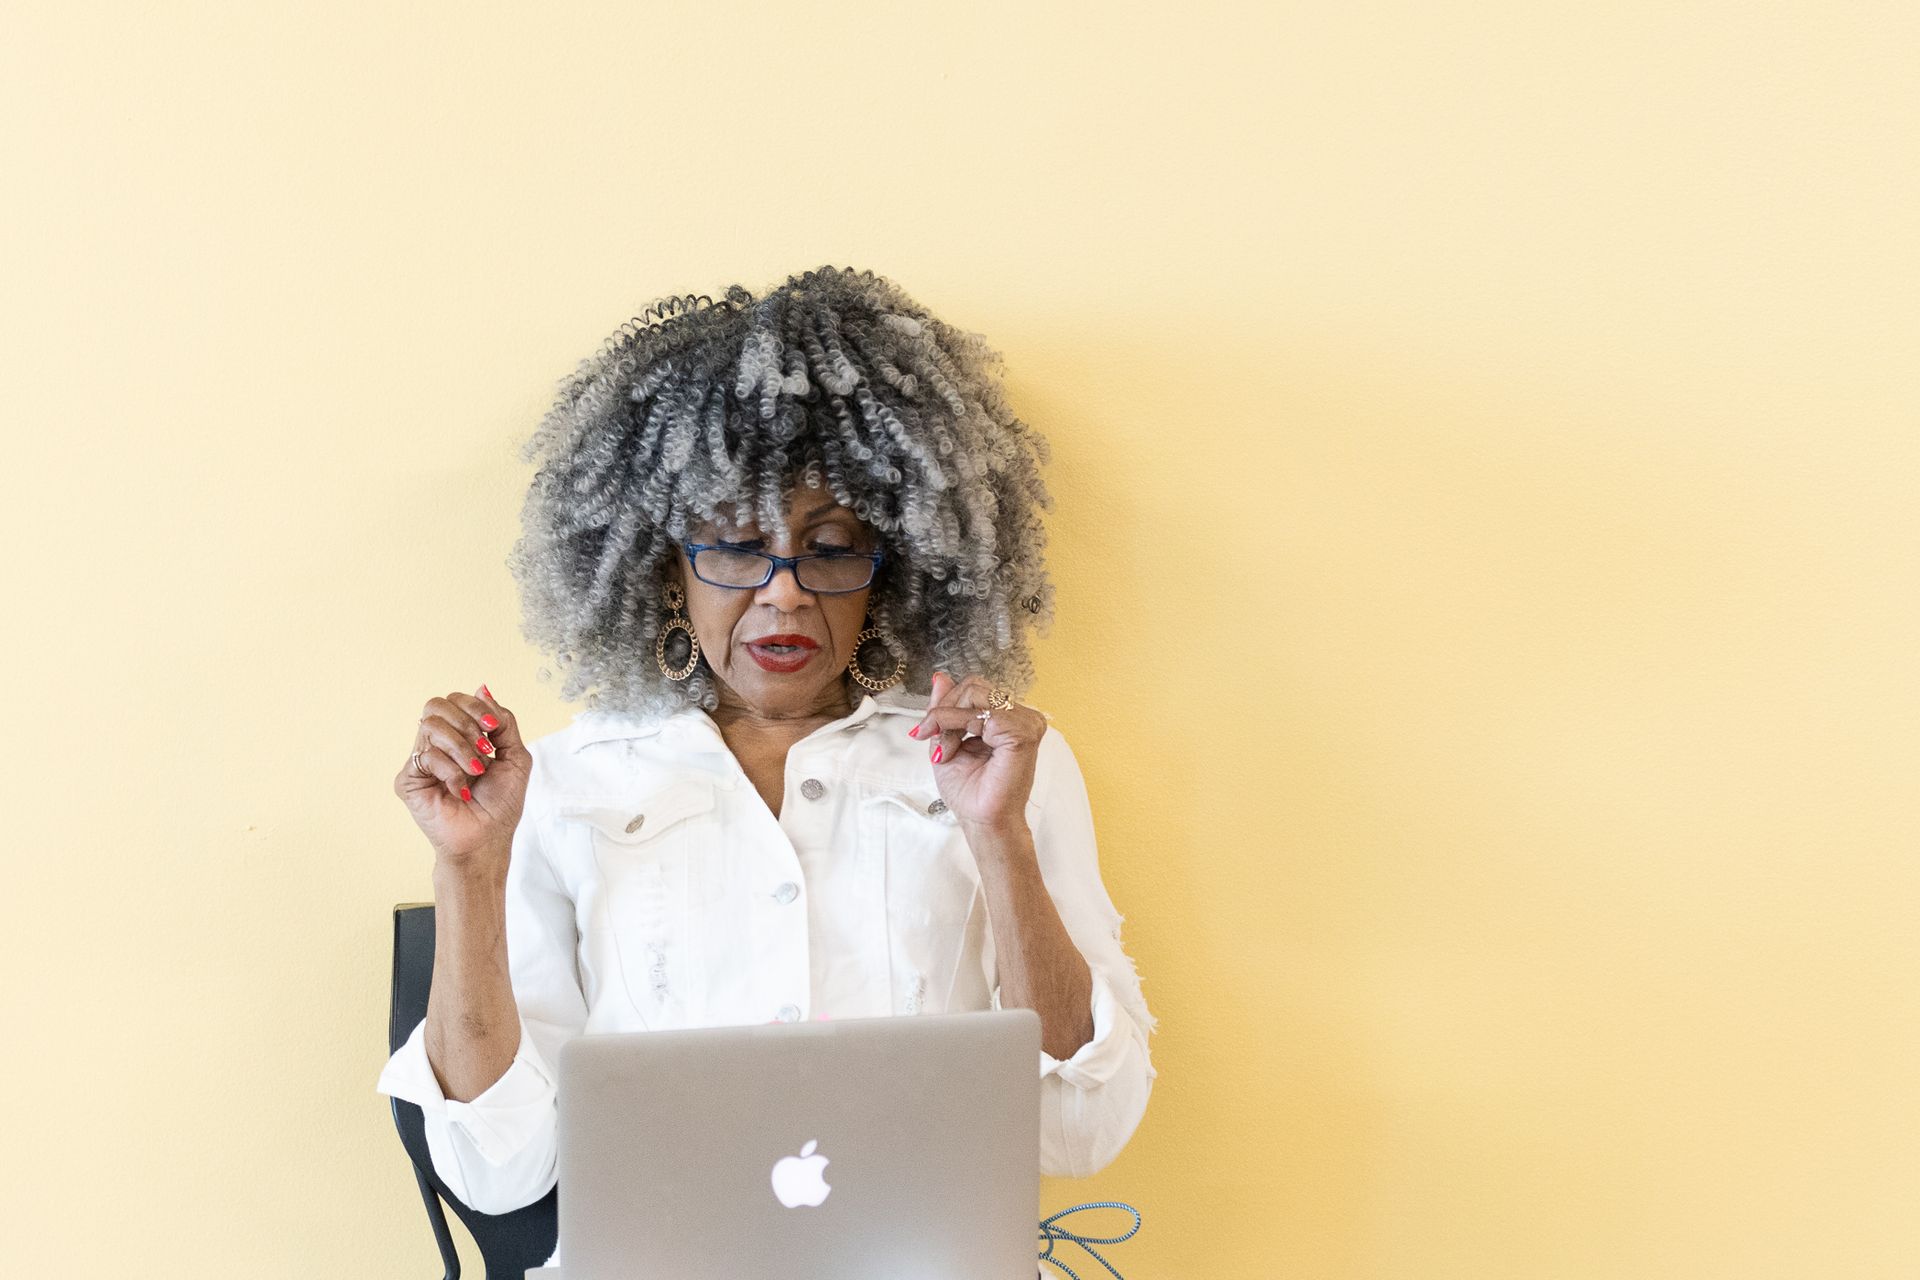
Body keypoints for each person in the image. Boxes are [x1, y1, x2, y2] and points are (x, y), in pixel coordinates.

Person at [376, 268, 1159, 1254]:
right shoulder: (565, 783)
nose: (786, 597)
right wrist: (469, 864)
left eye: (829, 549)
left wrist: (996, 833)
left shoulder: (993, 764)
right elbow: (498, 1167)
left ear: (892, 569)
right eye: (738, 549)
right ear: (669, 568)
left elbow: (1084, 1128)